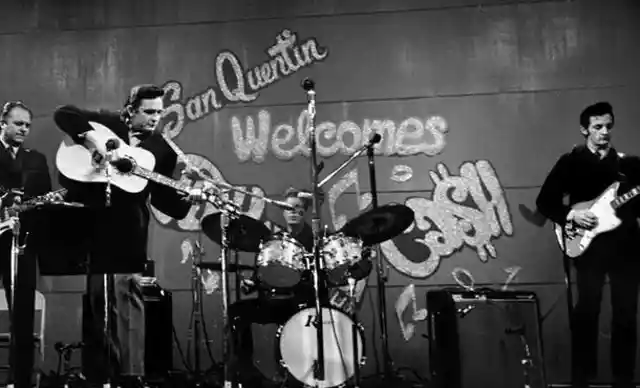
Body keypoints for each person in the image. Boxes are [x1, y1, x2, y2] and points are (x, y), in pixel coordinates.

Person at [53, 84, 206, 388]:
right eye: (149, 111)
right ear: (131, 110)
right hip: (95, 224)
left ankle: (131, 375)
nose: (155, 118)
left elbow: (166, 202)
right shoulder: (108, 124)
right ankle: (100, 375)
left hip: (130, 229)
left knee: (128, 297)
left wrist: (190, 197)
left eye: (159, 112)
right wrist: (93, 140)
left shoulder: (162, 147)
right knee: (99, 300)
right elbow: (63, 114)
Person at [536, 101, 640, 388]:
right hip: (589, 249)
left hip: (627, 249)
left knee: (626, 315)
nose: (604, 132)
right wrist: (571, 214)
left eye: (608, 126)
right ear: (584, 130)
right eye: (597, 127)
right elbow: (544, 202)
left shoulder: (630, 165)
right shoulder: (570, 162)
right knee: (586, 313)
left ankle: (624, 379)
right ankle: (581, 378)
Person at [229, 187, 328, 387]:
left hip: (303, 302)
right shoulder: (276, 240)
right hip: (274, 302)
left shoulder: (316, 239)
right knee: (236, 312)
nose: (292, 211)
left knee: (295, 319)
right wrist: (252, 283)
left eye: (298, 208)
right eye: (288, 208)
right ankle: (246, 373)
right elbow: (265, 272)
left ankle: (295, 376)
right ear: (283, 212)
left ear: (305, 211)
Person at [0, 101, 56, 388]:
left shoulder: (37, 159)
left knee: (22, 315)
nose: (23, 129)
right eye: (18, 123)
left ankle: (20, 379)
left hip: (21, 244)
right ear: (3, 123)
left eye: (27, 125)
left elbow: (44, 199)